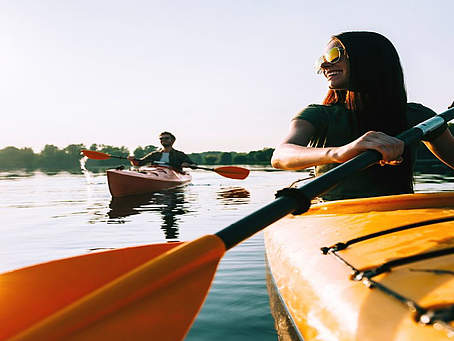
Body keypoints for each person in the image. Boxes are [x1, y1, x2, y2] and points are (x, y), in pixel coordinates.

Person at [271, 31, 454, 201]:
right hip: (334, 218)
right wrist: (339, 152)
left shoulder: (418, 116)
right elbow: (280, 156)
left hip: (402, 213)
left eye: (334, 55)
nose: (325, 64)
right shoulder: (318, 114)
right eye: (322, 59)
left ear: (369, 59)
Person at [127, 131, 197, 172]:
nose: (163, 140)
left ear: (172, 140)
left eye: (166, 138)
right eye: (161, 139)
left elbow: (194, 165)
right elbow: (139, 163)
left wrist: (189, 165)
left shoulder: (179, 154)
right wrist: (133, 160)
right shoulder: (155, 154)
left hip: (173, 174)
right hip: (156, 172)